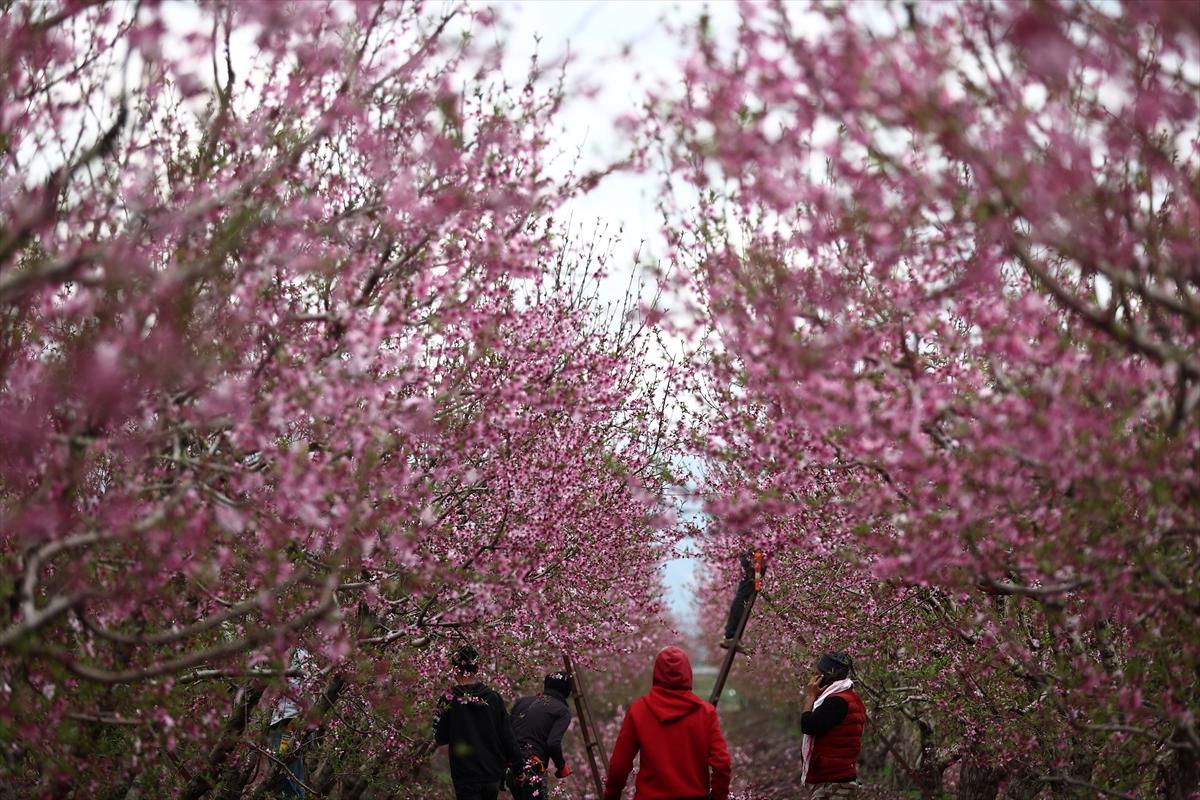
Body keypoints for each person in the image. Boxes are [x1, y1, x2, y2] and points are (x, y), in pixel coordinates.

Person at [603, 646, 731, 800]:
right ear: (687, 673)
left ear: (657, 673)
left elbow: (619, 765)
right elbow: (722, 764)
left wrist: (611, 795)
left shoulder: (639, 710)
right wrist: (719, 796)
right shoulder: (705, 712)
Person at [433, 645, 521, 800]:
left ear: (455, 669)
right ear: (477, 668)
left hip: (465, 773)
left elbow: (440, 738)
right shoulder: (493, 698)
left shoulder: (448, 699)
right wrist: (519, 768)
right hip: (492, 772)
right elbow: (507, 736)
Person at [799, 651, 866, 798]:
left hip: (834, 783)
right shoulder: (851, 697)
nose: (813, 679)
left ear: (826, 676)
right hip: (840, 777)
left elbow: (808, 726)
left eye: (818, 674)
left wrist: (811, 696)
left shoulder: (837, 702)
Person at [508, 671, 574, 799]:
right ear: (567, 691)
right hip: (532, 767)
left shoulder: (522, 702)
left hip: (511, 766)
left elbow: (507, 734)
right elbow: (553, 743)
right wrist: (561, 766)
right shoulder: (561, 710)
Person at [719, 551, 763, 651]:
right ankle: (730, 636)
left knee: (747, 593)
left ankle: (733, 637)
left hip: (755, 552)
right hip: (753, 551)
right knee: (744, 594)